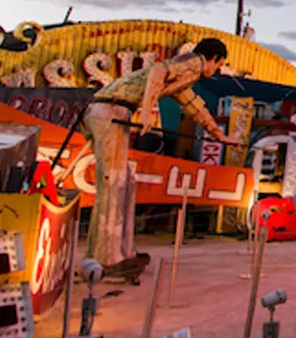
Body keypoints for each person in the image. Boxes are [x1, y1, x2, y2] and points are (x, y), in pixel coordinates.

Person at [83, 37, 240, 269]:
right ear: (213, 59)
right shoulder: (195, 62)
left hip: (113, 111)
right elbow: (157, 71)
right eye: (218, 64)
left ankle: (122, 250)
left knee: (125, 181)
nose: (216, 70)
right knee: (114, 182)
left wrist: (219, 135)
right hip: (111, 110)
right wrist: (147, 111)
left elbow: (195, 107)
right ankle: (106, 257)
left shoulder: (185, 78)